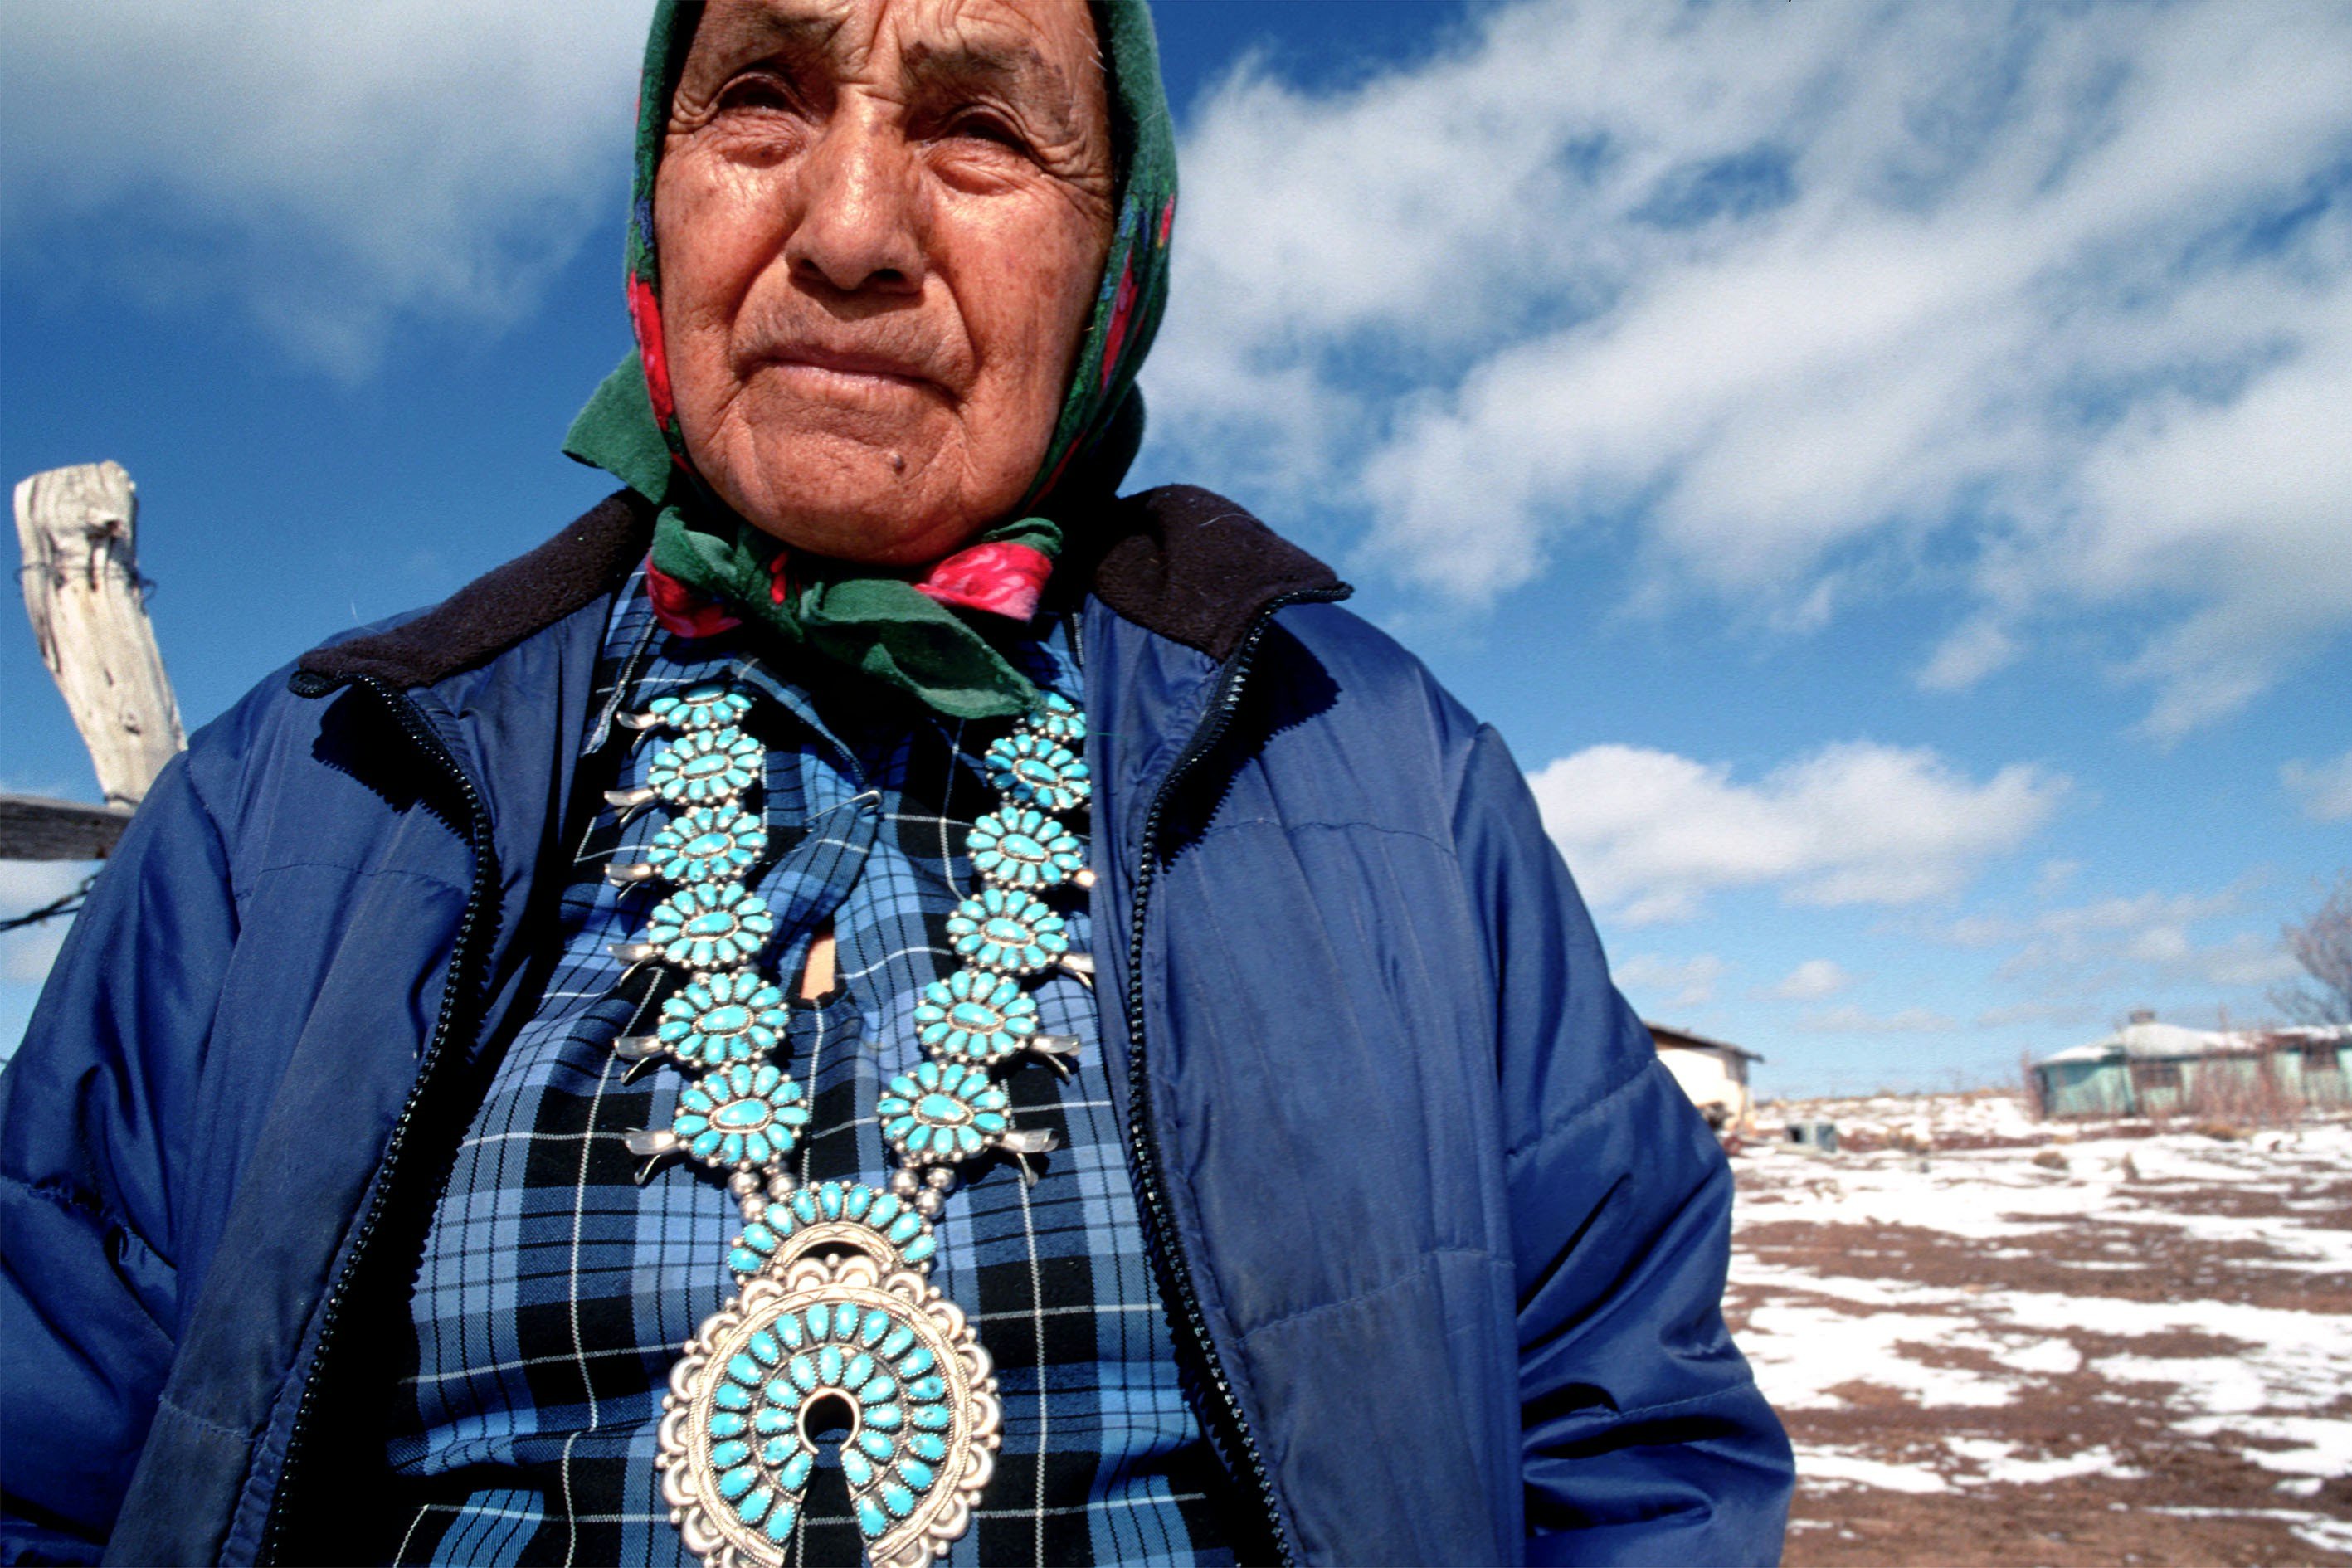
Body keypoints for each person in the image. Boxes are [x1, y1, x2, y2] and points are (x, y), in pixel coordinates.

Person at [0, 0, 1794, 1563]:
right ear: (658, 189)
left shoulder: (1383, 782)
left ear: (1117, 260)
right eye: (762, 96)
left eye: (982, 125)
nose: (849, 227)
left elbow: (1625, 1443)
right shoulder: (299, 802)